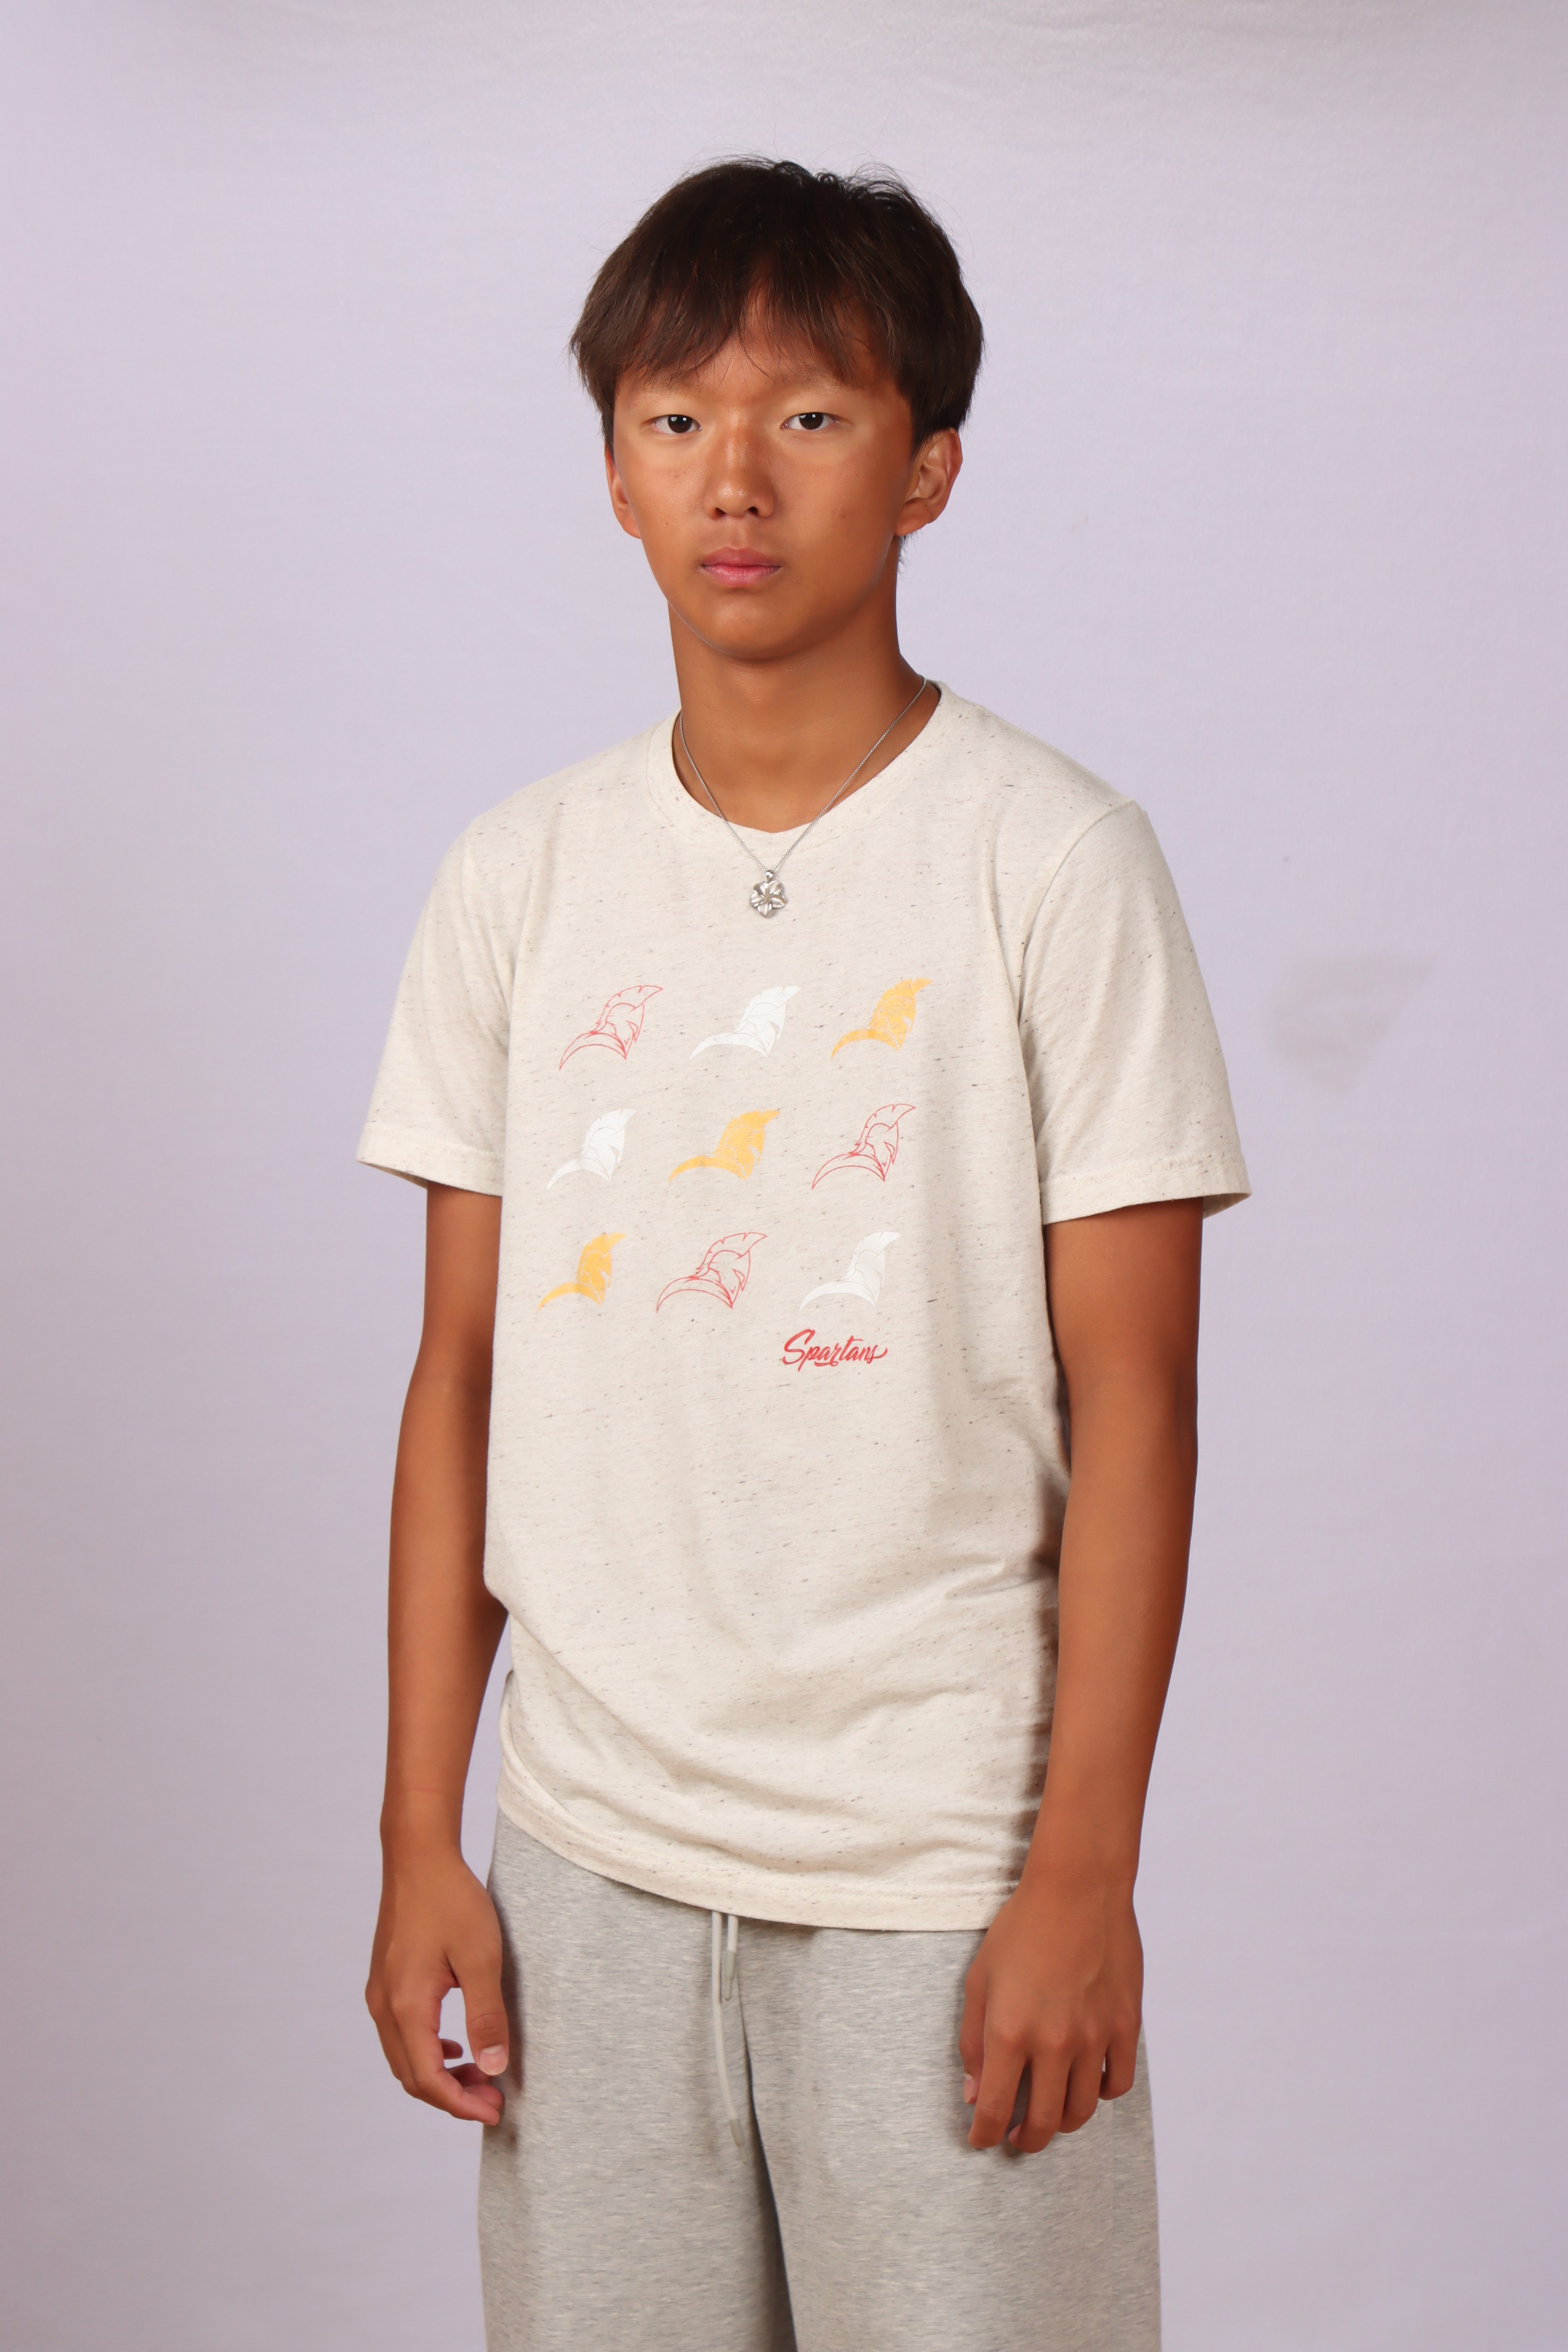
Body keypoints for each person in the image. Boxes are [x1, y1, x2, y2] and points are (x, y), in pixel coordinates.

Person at [359, 158, 1249, 2352]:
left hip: (938, 1873)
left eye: (810, 418)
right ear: (613, 474)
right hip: (584, 1870)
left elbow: (1137, 1396)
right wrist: (418, 1838)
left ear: (927, 467)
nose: (733, 480)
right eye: (674, 421)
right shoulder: (519, 877)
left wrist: (1084, 1872)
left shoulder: (1051, 863)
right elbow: (460, 1373)